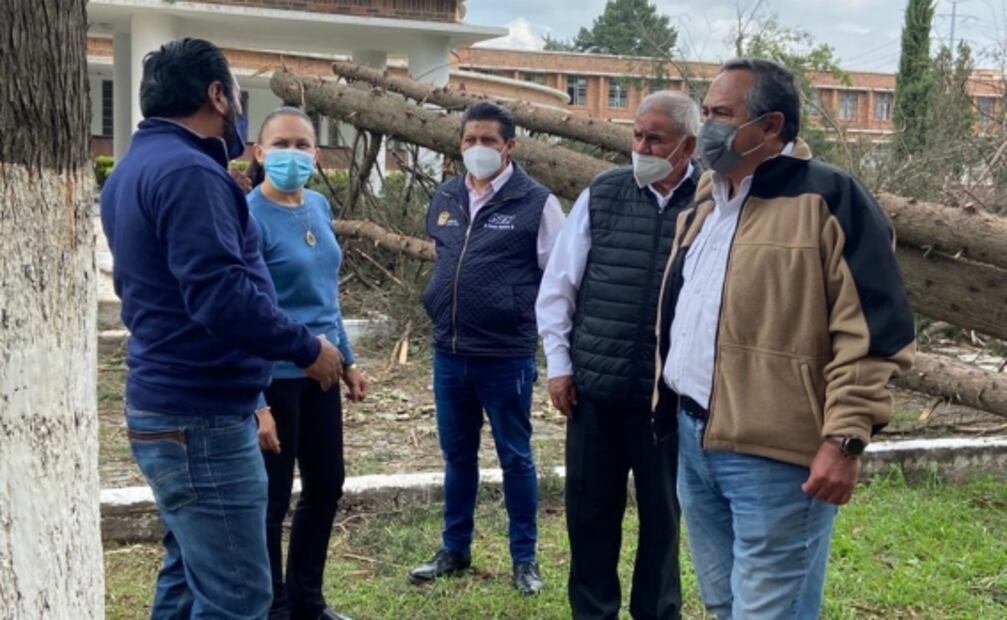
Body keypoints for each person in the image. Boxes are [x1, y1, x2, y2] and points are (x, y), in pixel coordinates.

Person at [653, 58, 916, 619]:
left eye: (722, 114)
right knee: (724, 604)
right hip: (695, 442)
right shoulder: (707, 198)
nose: (707, 126)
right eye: (705, 111)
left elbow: (874, 332)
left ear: (770, 125)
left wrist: (844, 440)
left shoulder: (830, 198)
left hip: (776, 459)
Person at [100, 38, 344, 620]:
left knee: (187, 575)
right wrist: (305, 348)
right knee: (237, 596)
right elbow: (221, 296)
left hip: (166, 406)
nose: (237, 109)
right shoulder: (191, 172)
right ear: (216, 94)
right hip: (202, 416)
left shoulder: (131, 169)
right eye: (235, 95)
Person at [536, 91, 700, 620]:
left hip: (667, 402)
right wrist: (559, 368)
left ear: (688, 146)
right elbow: (558, 289)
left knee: (663, 521)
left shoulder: (711, 203)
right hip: (595, 394)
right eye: (637, 135)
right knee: (589, 518)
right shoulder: (603, 193)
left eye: (655, 139)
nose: (641, 147)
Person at [408, 102, 565, 595]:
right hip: (449, 351)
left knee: (516, 457)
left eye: (489, 141)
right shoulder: (446, 195)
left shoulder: (537, 203)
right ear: (460, 144)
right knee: (457, 456)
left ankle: (525, 559)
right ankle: (454, 548)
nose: (478, 148)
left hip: (505, 356)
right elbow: (444, 258)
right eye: (470, 139)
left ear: (509, 147)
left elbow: (559, 279)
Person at [246, 107, 367, 620]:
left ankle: (307, 601)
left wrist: (349, 362)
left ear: (316, 156)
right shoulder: (248, 216)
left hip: (322, 374)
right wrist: (256, 404)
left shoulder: (317, 205)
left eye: (302, 145)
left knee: (326, 484)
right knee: (272, 501)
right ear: (259, 152)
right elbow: (244, 311)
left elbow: (326, 296)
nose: (291, 154)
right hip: (274, 377)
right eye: (280, 144)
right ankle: (273, 607)